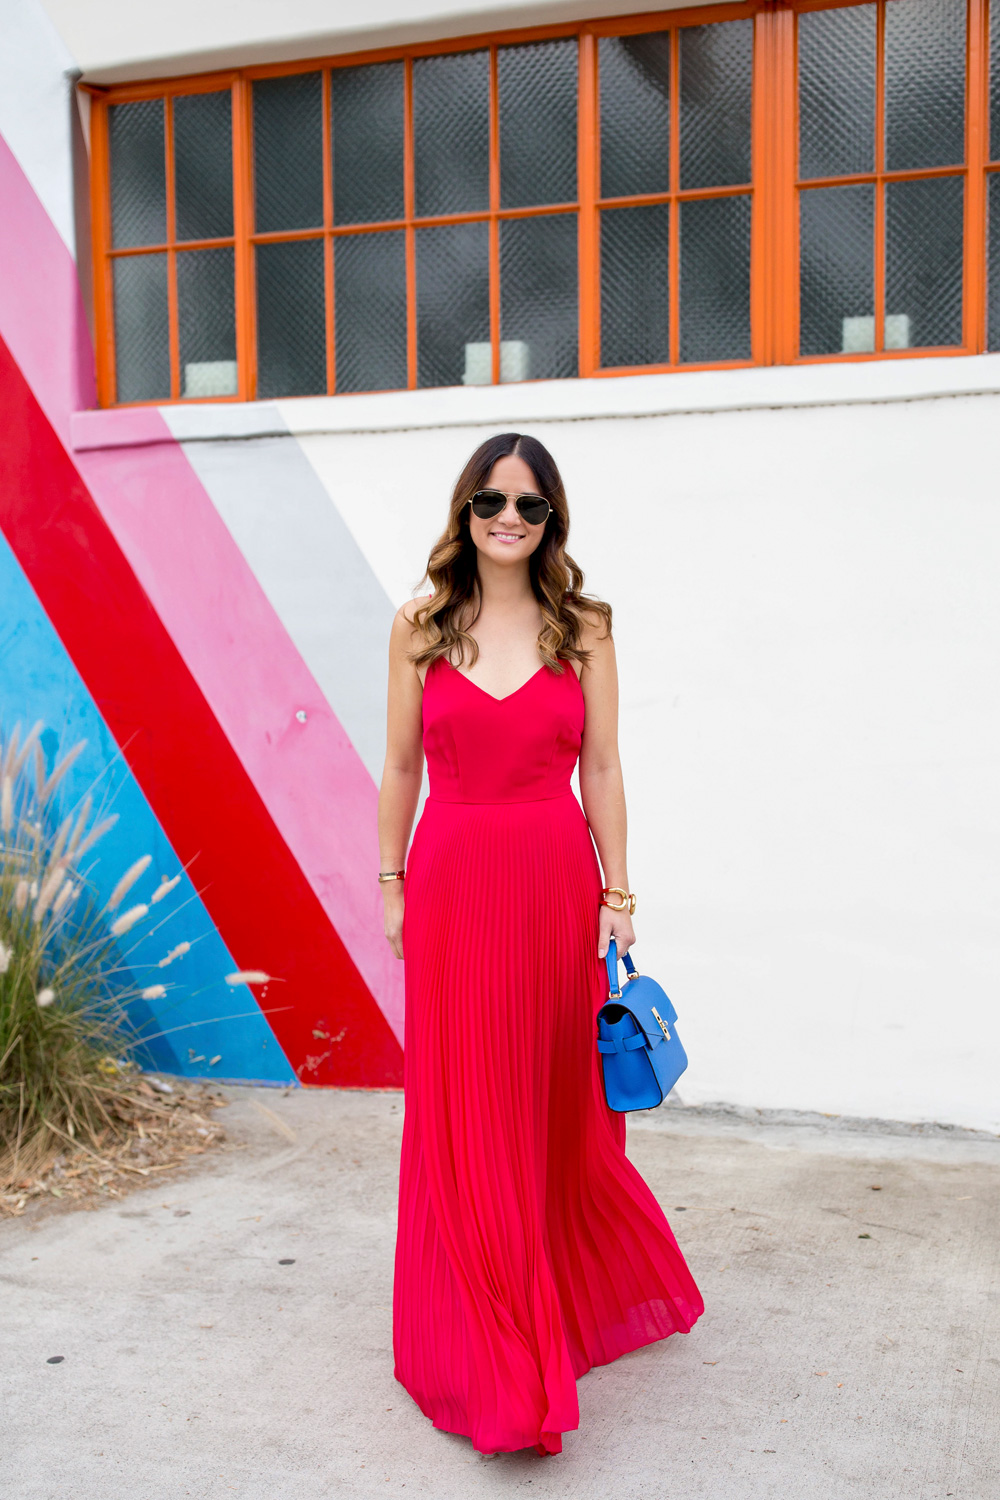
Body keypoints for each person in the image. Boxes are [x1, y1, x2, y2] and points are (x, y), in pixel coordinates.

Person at [377, 432, 704, 1456]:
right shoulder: (420, 626)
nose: (508, 518)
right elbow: (398, 770)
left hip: (555, 889)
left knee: (550, 1101)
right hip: (451, 886)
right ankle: (491, 1344)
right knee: (467, 1105)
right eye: (489, 502)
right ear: (462, 513)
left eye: (529, 504)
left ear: (551, 518)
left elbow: (601, 768)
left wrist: (618, 890)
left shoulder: (585, 629)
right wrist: (389, 883)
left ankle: (560, 1290)